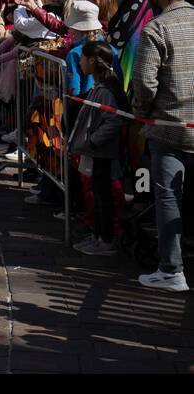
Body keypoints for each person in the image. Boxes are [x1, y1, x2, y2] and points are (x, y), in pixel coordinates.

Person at [132, 0, 194, 292]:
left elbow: (144, 82)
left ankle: (172, 269)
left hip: (169, 127)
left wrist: (143, 111)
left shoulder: (156, 29)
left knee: (168, 197)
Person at [69, 41, 127, 257]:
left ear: (92, 61)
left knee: (103, 195)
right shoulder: (99, 87)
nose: (80, 62)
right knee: (98, 192)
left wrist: (93, 141)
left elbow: (112, 121)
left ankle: (106, 240)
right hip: (97, 151)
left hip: (102, 151)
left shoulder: (105, 91)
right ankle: (98, 236)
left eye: (82, 58)